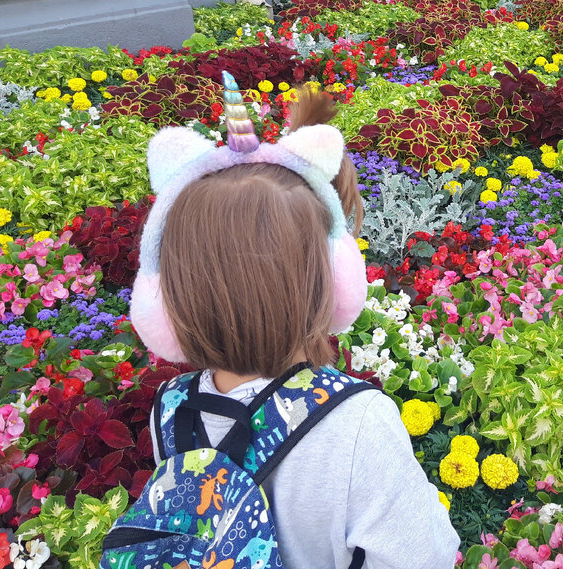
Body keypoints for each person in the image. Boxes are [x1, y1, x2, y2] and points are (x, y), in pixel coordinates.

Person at [131, 78, 460, 569]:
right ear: (334, 282)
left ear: (166, 299)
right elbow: (423, 557)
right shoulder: (357, 424)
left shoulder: (172, 409)